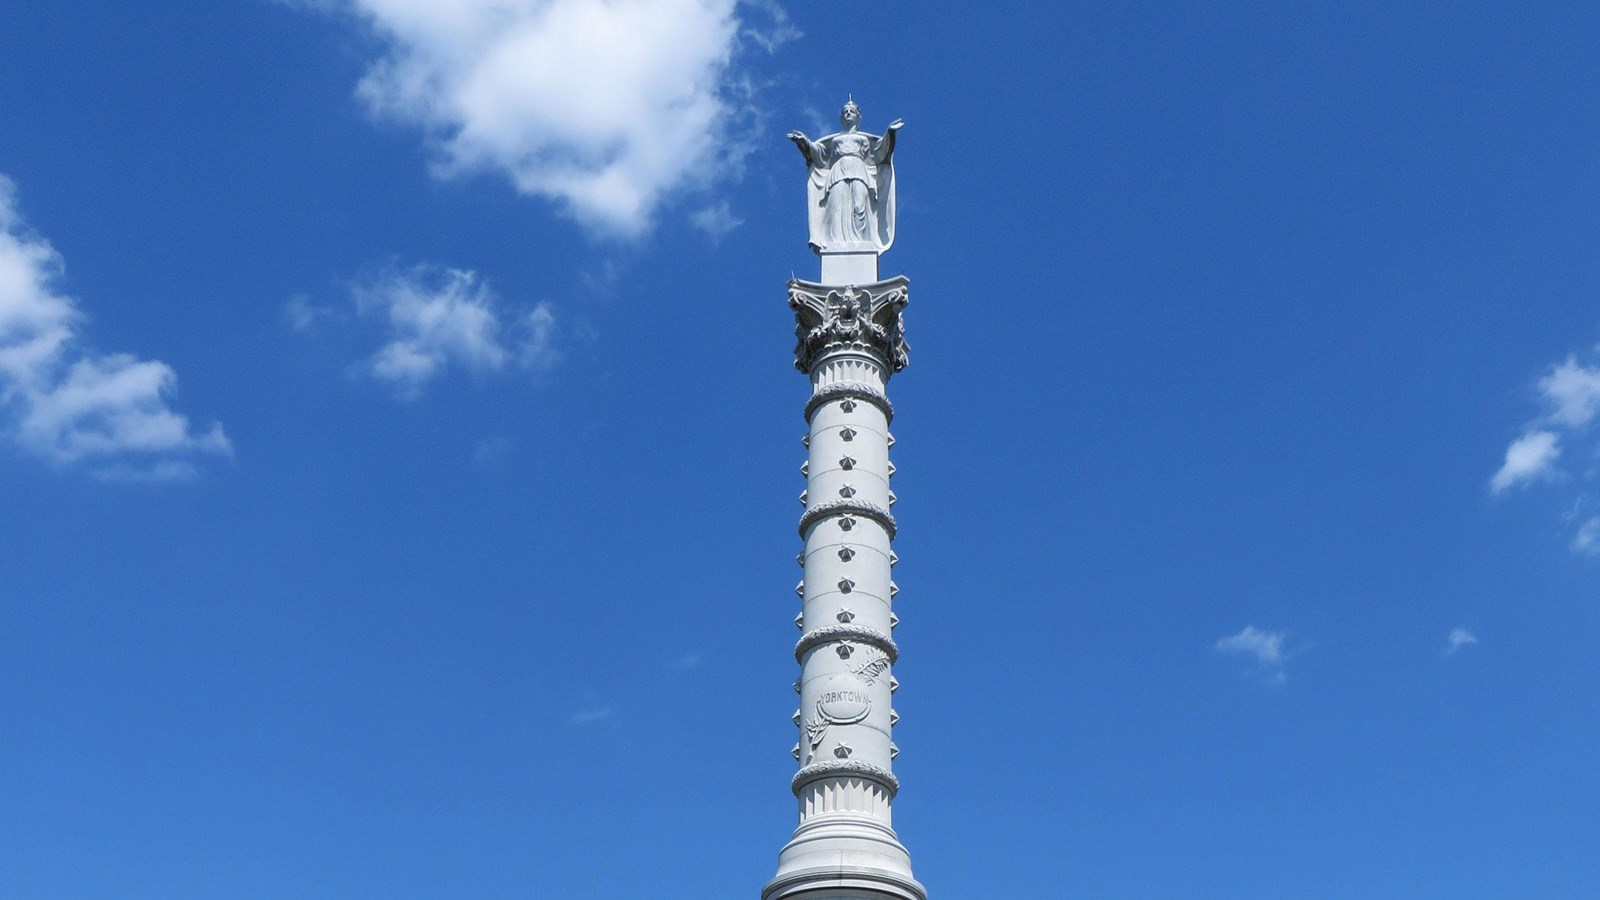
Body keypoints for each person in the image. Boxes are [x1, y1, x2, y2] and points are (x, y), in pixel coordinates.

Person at [787, 100, 903, 252]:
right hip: (838, 172)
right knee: (836, 206)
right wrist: (804, 141)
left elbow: (880, 153)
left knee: (859, 206)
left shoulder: (863, 140)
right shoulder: (835, 140)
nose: (848, 113)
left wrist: (889, 133)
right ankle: (836, 242)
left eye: (851, 111)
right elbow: (820, 155)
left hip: (859, 171)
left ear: (858, 117)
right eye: (845, 111)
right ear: (841, 118)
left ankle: (859, 241)